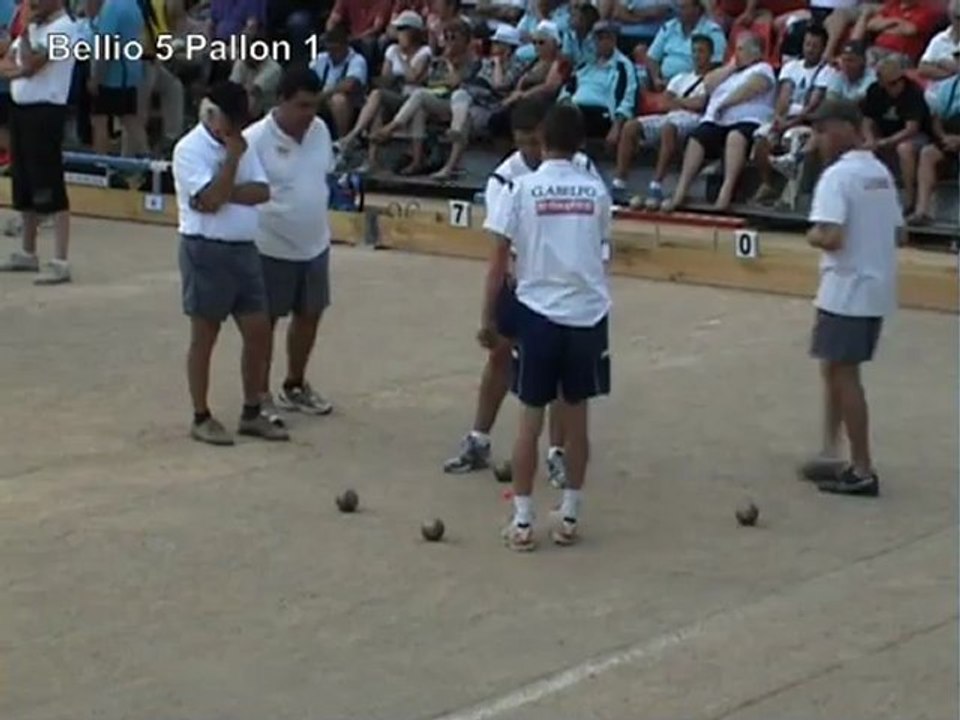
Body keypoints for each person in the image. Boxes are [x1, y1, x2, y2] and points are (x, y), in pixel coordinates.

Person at [444, 97, 602, 488]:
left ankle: (557, 454)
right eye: (522, 142)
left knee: (560, 377)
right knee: (500, 356)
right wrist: (490, 312)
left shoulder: (580, 167)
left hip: (562, 284)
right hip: (520, 280)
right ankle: (479, 440)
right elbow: (500, 248)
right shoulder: (505, 178)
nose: (529, 151)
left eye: (535, 141)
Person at [486, 103, 612, 551]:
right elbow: (601, 246)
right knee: (577, 420)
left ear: (541, 140)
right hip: (586, 314)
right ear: (581, 144)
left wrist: (489, 315)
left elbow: (500, 260)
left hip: (538, 311)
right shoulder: (596, 192)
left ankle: (522, 522)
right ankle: (570, 515)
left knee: (529, 422)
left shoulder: (522, 189)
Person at [172, 81, 288, 445]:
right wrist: (233, 161)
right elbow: (207, 201)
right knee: (204, 336)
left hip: (243, 249)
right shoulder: (190, 149)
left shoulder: (240, 141)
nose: (236, 130)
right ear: (213, 115)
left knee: (258, 330)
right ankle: (200, 415)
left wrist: (226, 194)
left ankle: (252, 410)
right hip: (205, 249)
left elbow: (262, 192)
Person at [800, 98, 903, 498]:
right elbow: (898, 232)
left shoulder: (837, 178)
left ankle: (861, 468)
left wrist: (811, 235)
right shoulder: (879, 172)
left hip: (846, 289)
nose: (819, 140)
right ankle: (831, 452)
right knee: (834, 369)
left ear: (843, 128)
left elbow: (832, 235)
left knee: (844, 375)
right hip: (874, 286)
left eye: (823, 131)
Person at [243, 67, 336, 420]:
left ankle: (295, 385)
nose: (309, 114)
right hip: (269, 247)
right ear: (280, 101)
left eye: (314, 105)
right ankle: (260, 393)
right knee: (264, 324)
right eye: (302, 106)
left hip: (315, 243)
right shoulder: (254, 140)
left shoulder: (321, 130)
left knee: (310, 315)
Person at [0, 0, 77, 285]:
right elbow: (7, 62)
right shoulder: (33, 28)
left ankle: (60, 259)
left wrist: (26, 44)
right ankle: (27, 251)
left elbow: (32, 65)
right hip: (22, 107)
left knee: (50, 180)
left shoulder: (65, 30)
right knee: (23, 179)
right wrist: (19, 67)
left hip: (46, 110)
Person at [664, 32, 775, 212]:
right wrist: (731, 67)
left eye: (740, 49)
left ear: (754, 53)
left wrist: (725, 103)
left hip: (747, 121)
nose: (736, 53)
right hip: (717, 121)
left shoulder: (763, 68)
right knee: (697, 138)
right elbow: (708, 84)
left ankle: (726, 192)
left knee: (735, 136)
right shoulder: (728, 72)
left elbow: (751, 89)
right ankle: (681, 190)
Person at [615, 32, 714, 204]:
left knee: (670, 127)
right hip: (670, 115)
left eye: (701, 51)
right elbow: (664, 103)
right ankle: (619, 181)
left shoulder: (712, 80)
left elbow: (701, 104)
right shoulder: (680, 77)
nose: (697, 55)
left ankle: (657, 184)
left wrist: (678, 102)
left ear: (710, 54)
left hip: (694, 119)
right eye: (695, 51)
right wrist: (685, 102)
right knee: (631, 126)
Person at [752, 24, 831, 203]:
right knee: (761, 136)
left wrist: (789, 124)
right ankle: (767, 184)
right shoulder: (792, 67)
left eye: (814, 46)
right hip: (785, 118)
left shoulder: (826, 71)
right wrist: (779, 119)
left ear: (823, 48)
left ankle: (790, 195)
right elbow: (783, 96)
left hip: (806, 121)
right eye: (807, 44)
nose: (810, 49)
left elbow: (813, 104)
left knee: (792, 138)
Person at [861, 56, 932, 212]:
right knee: (862, 147)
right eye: (891, 84)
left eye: (898, 81)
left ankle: (909, 198)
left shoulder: (913, 92)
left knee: (904, 148)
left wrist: (887, 142)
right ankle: (869, 196)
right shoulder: (874, 91)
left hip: (915, 136)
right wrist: (870, 139)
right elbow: (867, 120)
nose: (896, 86)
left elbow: (912, 128)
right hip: (884, 132)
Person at [560, 20, 638, 148]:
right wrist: (565, 101)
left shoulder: (623, 66)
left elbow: (628, 99)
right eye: (597, 38)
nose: (600, 42)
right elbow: (568, 87)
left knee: (570, 120)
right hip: (574, 109)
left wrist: (617, 126)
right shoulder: (586, 64)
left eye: (604, 38)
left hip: (602, 114)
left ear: (613, 40)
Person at [909, 66, 960, 225]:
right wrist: (944, 137)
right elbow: (936, 117)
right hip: (950, 134)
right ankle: (922, 211)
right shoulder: (948, 85)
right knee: (927, 153)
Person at [645, 0, 726, 88]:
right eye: (677, 7)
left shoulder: (712, 32)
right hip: (664, 82)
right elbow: (652, 57)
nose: (678, 11)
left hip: (693, 85)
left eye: (683, 8)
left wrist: (691, 83)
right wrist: (656, 79)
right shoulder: (669, 27)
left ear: (697, 9)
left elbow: (716, 64)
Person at [309, 24, 369, 139]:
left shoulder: (357, 60)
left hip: (350, 102)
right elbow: (307, 77)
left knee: (338, 100)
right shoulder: (321, 58)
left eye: (335, 49)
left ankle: (342, 141)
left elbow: (350, 84)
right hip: (322, 99)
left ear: (345, 45)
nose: (332, 53)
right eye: (329, 49)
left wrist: (324, 94)